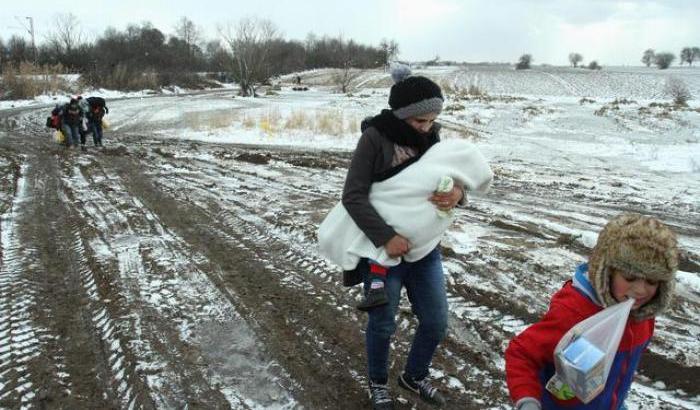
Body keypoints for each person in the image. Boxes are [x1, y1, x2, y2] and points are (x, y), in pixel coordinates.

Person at [341, 66, 467, 409]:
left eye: (432, 121)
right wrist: (385, 239)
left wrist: (457, 194)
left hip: (425, 249)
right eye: (420, 122)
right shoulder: (375, 138)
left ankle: (414, 375)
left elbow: (447, 179)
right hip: (384, 253)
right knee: (382, 323)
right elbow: (352, 196)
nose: (427, 129)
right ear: (400, 115)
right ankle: (378, 381)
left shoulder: (432, 138)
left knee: (436, 322)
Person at [505, 213, 679, 410]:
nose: (640, 290)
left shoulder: (643, 317)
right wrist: (528, 402)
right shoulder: (574, 314)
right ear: (606, 271)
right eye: (630, 277)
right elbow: (521, 354)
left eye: (652, 281)